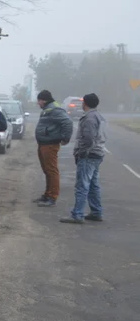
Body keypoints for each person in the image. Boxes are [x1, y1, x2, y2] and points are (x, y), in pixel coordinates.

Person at [61, 93, 106, 224]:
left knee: (82, 185)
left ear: (85, 103)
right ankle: (96, 212)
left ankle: (77, 214)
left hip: (88, 155)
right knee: (93, 184)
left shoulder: (89, 118)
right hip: (97, 154)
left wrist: (81, 153)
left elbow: (88, 139)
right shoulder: (98, 116)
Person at [33, 89, 74, 207]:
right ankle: (47, 194)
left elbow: (68, 123)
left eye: (39, 101)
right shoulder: (47, 109)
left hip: (50, 144)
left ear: (44, 100)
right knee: (47, 170)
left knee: (51, 170)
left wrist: (66, 138)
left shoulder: (55, 110)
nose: (38, 103)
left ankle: (52, 196)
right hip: (43, 144)